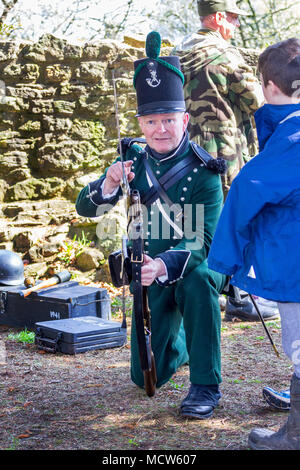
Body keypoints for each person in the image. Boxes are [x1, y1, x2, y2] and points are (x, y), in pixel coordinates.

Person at [76, 31, 227, 420]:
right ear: (141, 122)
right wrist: (109, 183)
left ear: (185, 119)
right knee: (143, 376)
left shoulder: (204, 172)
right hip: (147, 270)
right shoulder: (132, 163)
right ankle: (174, 340)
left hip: (192, 264)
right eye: (151, 120)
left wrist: (162, 266)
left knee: (200, 281)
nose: (160, 129)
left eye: (168, 120)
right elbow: (84, 210)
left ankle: (205, 384)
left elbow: (203, 241)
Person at [207, 38, 300, 450]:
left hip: (295, 264)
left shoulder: (290, 140)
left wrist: (224, 260)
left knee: (299, 343)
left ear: (271, 87)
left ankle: (295, 436)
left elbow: (245, 190)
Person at [174, 0, 279, 323]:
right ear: (218, 18)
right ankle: (239, 295)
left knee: (193, 220)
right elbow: (258, 101)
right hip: (225, 154)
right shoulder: (225, 54)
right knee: (234, 219)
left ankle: (194, 288)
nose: (235, 26)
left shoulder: (176, 54)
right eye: (233, 19)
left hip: (185, 156)